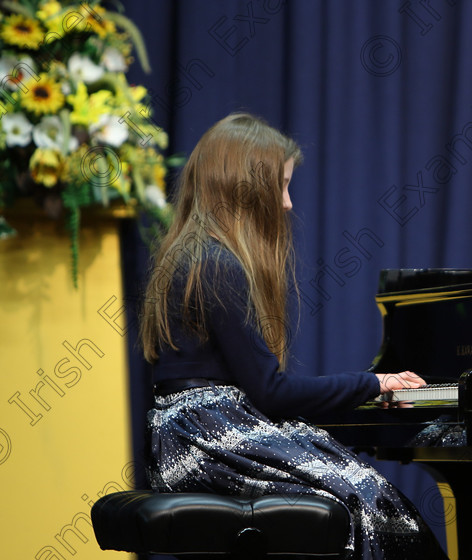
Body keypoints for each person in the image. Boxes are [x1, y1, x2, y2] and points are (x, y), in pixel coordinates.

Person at [139, 113, 449, 560]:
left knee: (357, 486)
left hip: (188, 438)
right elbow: (273, 393)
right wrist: (374, 383)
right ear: (245, 188)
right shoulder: (216, 264)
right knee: (371, 497)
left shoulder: (190, 254)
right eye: (280, 185)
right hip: (208, 439)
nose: (286, 203)